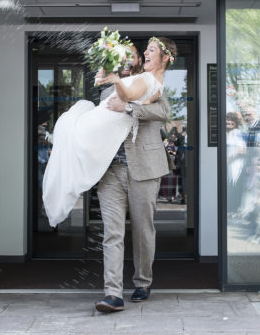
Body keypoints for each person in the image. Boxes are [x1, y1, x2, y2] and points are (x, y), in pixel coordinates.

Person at [41, 36, 174, 312]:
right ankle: (112, 293)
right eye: (123, 58)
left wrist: (128, 107)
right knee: (112, 232)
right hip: (110, 171)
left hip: (144, 168)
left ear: (138, 61)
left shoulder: (151, 82)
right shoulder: (109, 88)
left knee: (142, 230)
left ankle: (143, 281)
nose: (128, 61)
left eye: (134, 56)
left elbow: (162, 111)